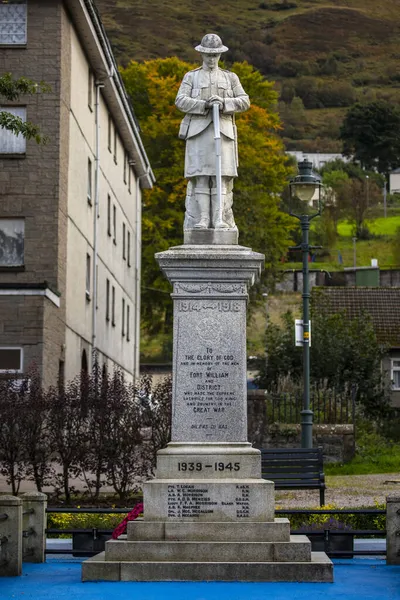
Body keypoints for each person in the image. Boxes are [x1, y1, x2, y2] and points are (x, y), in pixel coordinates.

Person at [175, 33, 250, 230]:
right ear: (202, 54)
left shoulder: (230, 77)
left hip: (223, 133)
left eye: (215, 55)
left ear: (220, 55)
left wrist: (224, 103)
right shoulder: (191, 76)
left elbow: (244, 101)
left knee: (221, 177)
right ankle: (202, 219)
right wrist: (204, 105)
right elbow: (180, 100)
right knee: (201, 175)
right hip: (199, 132)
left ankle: (220, 219)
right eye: (208, 55)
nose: (211, 59)